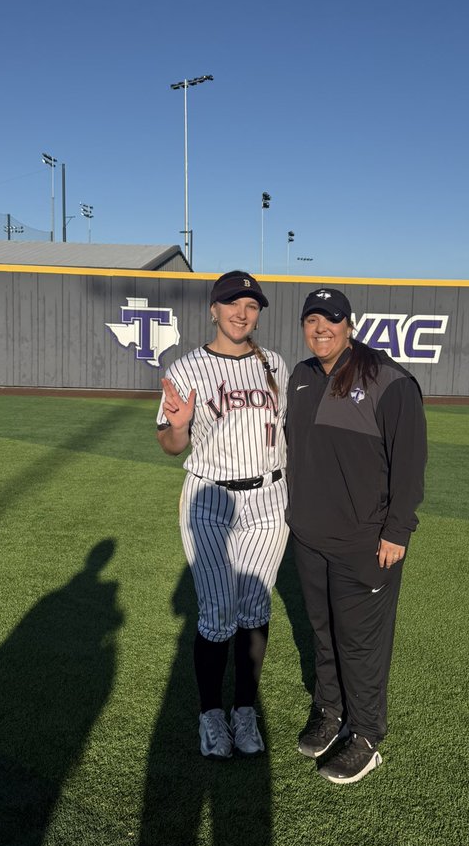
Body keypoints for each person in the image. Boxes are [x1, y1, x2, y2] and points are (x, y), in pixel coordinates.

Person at [285, 287, 427, 784]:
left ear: (349, 325)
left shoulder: (389, 380)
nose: (321, 328)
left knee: (360, 643)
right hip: (309, 535)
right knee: (323, 632)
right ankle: (330, 711)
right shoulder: (301, 376)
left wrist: (397, 531)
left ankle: (366, 736)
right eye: (312, 319)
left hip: (365, 541)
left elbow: (409, 463)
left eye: (331, 319)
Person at [157, 270, 289, 758]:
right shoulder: (186, 368)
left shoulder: (275, 365)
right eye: (232, 303)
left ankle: (244, 711)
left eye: (251, 305)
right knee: (217, 613)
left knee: (255, 608)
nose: (242, 312)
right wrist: (179, 427)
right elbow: (171, 445)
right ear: (213, 309)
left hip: (270, 500)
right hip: (210, 499)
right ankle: (211, 714)